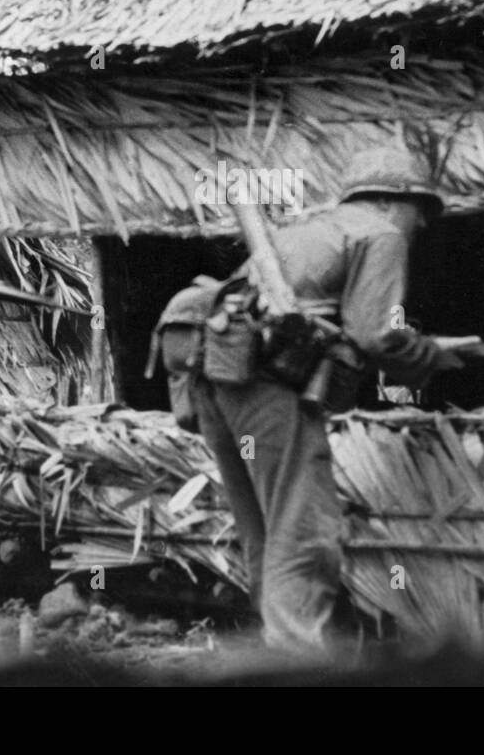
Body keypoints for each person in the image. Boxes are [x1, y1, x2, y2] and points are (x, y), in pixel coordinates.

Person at [191, 145, 466, 654]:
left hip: (218, 375)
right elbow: (375, 335)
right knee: (304, 530)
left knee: (264, 526)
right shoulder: (380, 234)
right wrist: (429, 355)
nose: (422, 225)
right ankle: (298, 658)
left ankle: (273, 651)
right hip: (269, 384)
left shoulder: (306, 230)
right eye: (420, 211)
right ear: (390, 202)